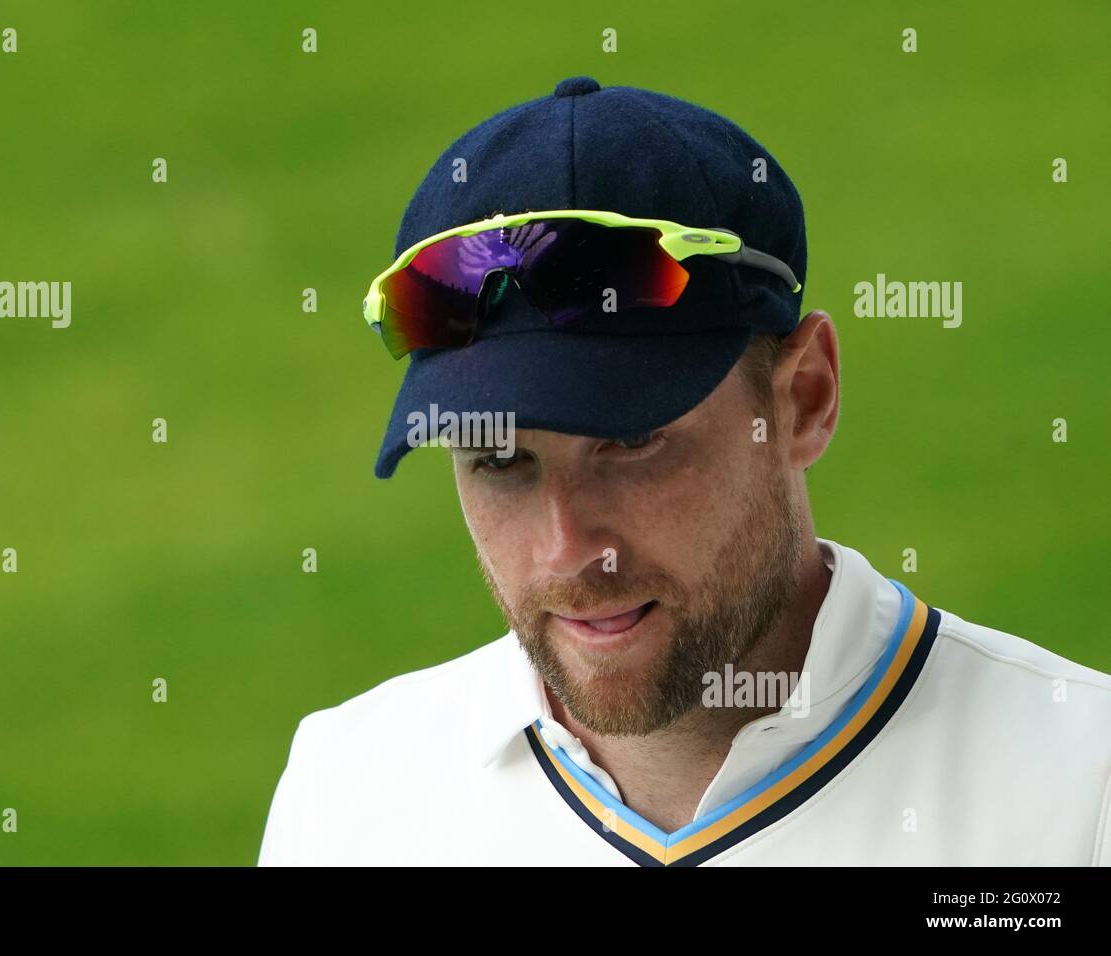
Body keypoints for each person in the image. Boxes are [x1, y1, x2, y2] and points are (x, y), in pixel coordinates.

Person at [258, 77, 1111, 866]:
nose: (568, 552)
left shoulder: (1081, 789)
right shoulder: (347, 796)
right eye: (501, 459)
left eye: (631, 444)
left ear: (804, 398)